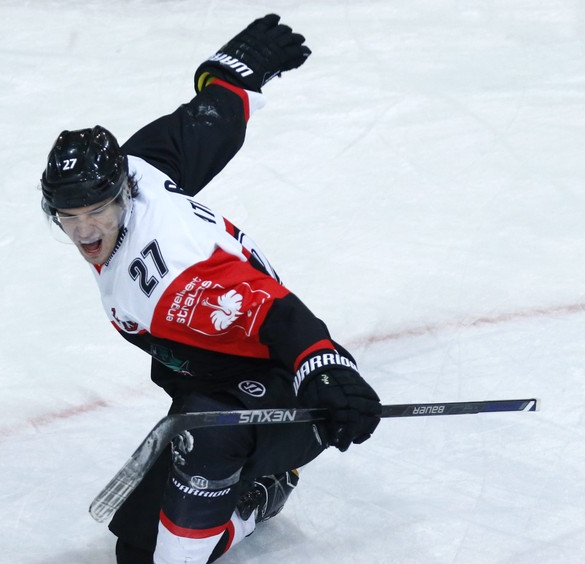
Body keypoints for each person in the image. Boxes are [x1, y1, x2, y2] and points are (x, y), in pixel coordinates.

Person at [38, 14, 382, 564]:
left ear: (120, 194)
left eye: (96, 211)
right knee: (133, 544)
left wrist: (327, 370)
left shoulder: (172, 281)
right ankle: (250, 497)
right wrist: (229, 76)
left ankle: (258, 482)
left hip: (278, 395)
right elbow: (206, 125)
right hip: (215, 369)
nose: (83, 232)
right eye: (68, 215)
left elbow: (275, 315)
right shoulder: (139, 168)